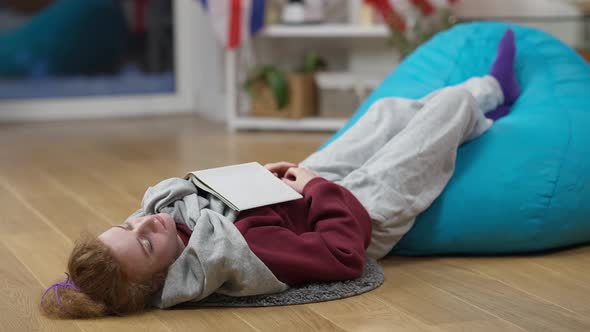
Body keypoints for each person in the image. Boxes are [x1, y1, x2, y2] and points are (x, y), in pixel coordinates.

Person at [40, 29, 520, 319]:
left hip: (296, 196)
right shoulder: (240, 255)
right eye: (144, 241)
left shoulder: (162, 224)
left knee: (388, 113)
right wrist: (317, 189)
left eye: (128, 224)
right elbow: (342, 252)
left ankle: (470, 103)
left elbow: (177, 208)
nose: (146, 221)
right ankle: (493, 93)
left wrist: (255, 181)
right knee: (449, 107)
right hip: (360, 213)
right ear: (167, 277)